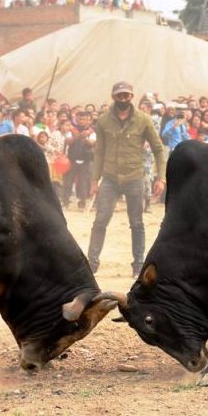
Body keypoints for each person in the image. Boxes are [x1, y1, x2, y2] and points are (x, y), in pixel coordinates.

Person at [88, 81, 166, 277]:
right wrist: (93, 181)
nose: (123, 99)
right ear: (113, 96)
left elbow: (158, 149)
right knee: (100, 221)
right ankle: (91, 263)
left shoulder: (144, 120)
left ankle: (138, 264)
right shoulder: (103, 121)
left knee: (137, 223)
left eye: (126, 95)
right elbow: (99, 153)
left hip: (134, 178)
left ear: (132, 96)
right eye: (119, 95)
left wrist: (161, 178)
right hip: (110, 178)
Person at [62, 111, 95, 209]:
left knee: (83, 183)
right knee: (68, 182)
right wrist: (76, 137)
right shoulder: (71, 130)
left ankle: (82, 202)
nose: (82, 121)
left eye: (84, 119)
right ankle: (65, 201)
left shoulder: (92, 132)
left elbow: (93, 143)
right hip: (71, 159)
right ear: (76, 119)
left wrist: (85, 138)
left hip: (85, 160)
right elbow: (67, 141)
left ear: (88, 120)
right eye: (80, 119)